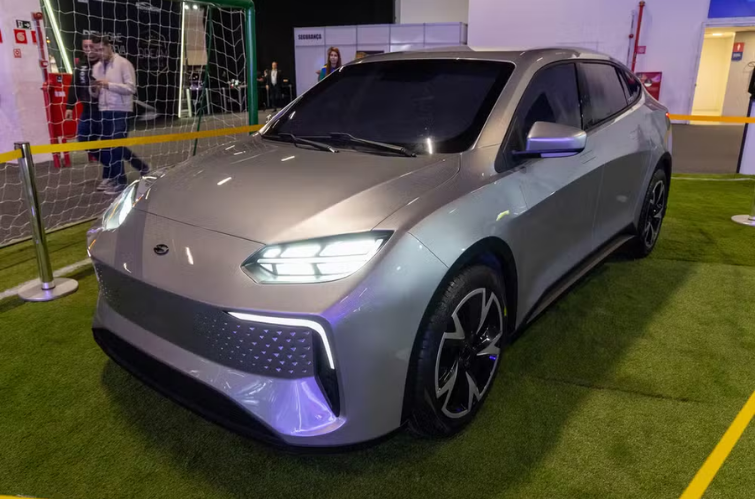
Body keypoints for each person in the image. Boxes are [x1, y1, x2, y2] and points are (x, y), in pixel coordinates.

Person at [90, 35, 149, 194]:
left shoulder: (123, 63)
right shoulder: (96, 68)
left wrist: (109, 85)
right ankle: (142, 167)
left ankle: (120, 181)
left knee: (116, 145)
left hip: (121, 110)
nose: (99, 53)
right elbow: (95, 94)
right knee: (111, 146)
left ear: (109, 47)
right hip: (104, 110)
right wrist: (94, 90)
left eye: (102, 49)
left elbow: (131, 88)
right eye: (96, 50)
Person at [65, 34, 103, 181]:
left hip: (105, 109)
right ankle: (109, 164)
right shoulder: (81, 65)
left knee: (111, 143)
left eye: (91, 46)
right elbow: (74, 86)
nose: (88, 49)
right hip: (87, 109)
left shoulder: (105, 64)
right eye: (85, 47)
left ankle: (113, 175)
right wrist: (69, 106)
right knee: (83, 138)